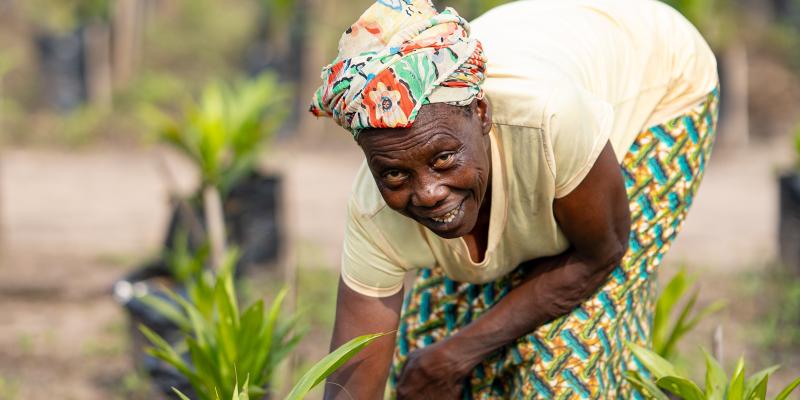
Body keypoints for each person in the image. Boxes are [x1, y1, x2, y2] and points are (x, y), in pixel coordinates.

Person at [309, 0, 719, 398]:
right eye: (395, 173)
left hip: (659, 81)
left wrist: (456, 356)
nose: (429, 193)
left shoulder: (548, 117)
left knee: (566, 359)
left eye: (444, 158)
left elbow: (602, 251)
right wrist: (445, 356)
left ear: (482, 113)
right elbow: (353, 383)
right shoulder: (373, 210)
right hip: (538, 46)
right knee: (427, 343)